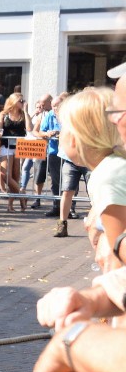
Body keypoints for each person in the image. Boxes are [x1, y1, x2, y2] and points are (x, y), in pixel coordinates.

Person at [59, 87, 125, 269]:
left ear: (76, 137)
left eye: (64, 127)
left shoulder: (107, 175)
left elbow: (118, 250)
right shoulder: (113, 167)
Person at [0, 92, 32, 212]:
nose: (22, 103)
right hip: (6, 146)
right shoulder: (4, 114)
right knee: (6, 175)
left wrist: (26, 111)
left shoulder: (23, 114)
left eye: (23, 101)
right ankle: (22, 194)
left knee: (15, 176)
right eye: (20, 101)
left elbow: (30, 128)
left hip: (19, 147)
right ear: (13, 102)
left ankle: (10, 205)